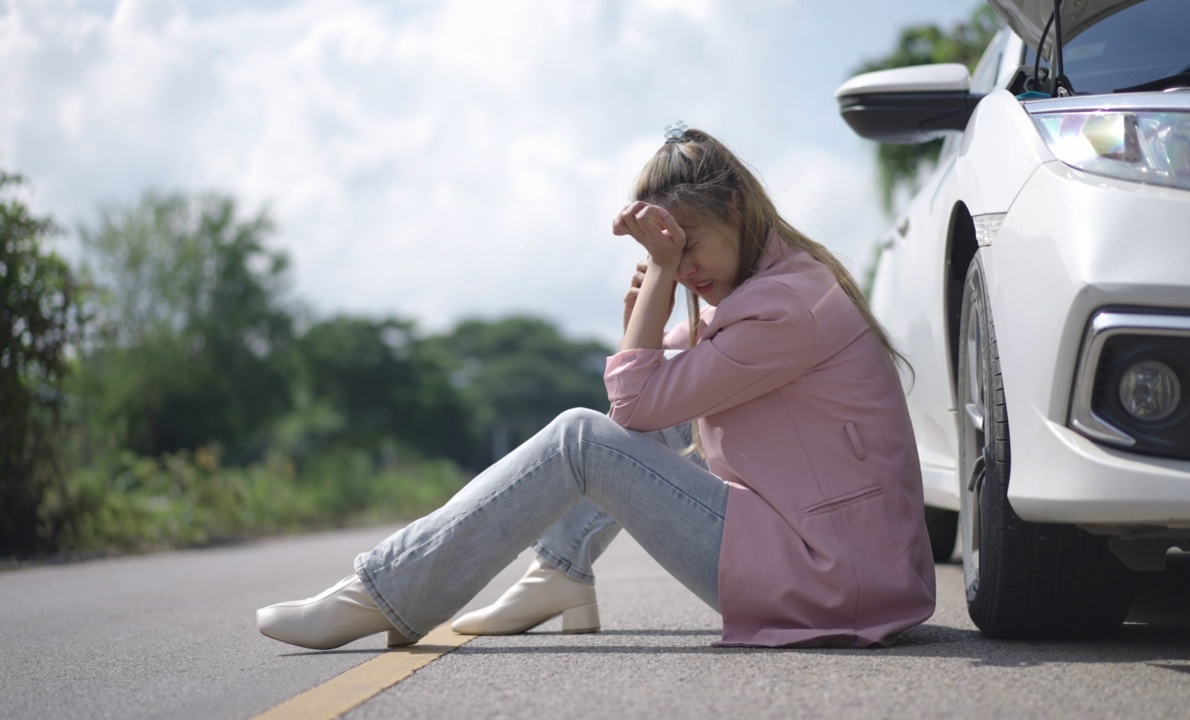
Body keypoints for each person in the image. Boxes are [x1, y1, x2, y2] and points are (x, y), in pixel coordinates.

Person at [256, 125, 935, 650]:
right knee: (617, 430)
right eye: (664, 252)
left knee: (583, 440)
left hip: (830, 576)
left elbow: (628, 408)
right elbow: (650, 399)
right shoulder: (780, 283)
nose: (683, 266)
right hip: (848, 566)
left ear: (734, 206)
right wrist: (647, 303)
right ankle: (560, 571)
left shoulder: (784, 307)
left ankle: (385, 592)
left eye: (686, 244)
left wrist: (661, 284)